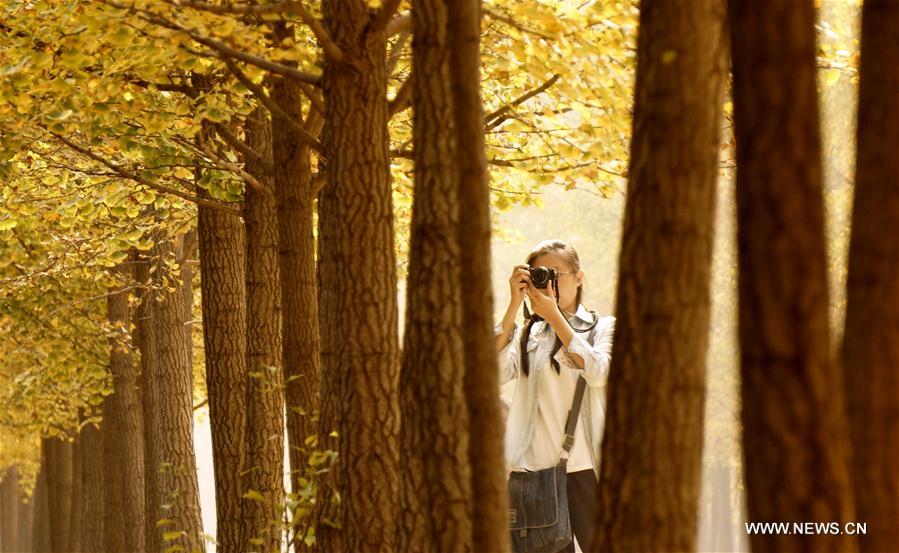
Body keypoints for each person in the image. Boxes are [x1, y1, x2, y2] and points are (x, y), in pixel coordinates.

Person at [495, 239, 615, 553]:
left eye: (556, 272)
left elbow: (600, 372)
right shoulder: (525, 334)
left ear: (579, 277)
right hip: (533, 473)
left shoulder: (602, 328)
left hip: (587, 470)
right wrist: (512, 306)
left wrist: (555, 317)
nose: (549, 280)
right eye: (540, 273)